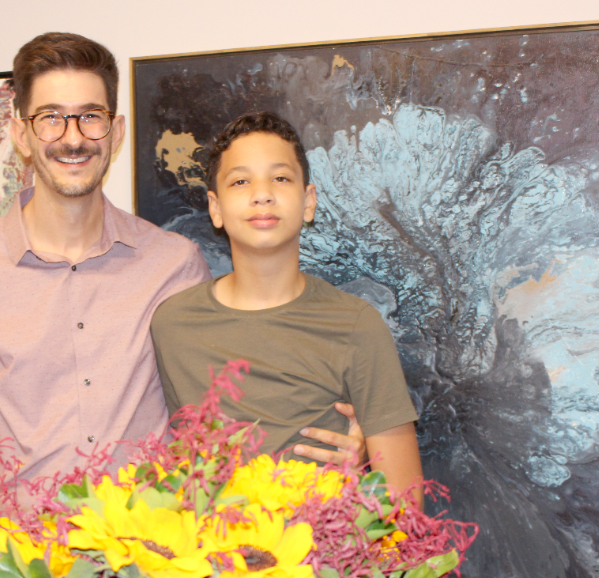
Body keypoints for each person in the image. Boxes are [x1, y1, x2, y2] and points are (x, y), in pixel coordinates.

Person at [0, 35, 364, 539]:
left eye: (90, 116)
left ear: (116, 130)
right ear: (21, 133)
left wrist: (338, 438)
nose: (72, 137)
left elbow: (227, 403)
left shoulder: (174, 266)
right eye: (51, 117)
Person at [151, 112, 424, 501]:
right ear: (215, 208)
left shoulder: (356, 325)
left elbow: (406, 503)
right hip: (207, 555)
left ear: (308, 201)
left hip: (326, 554)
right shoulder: (173, 325)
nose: (262, 194)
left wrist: (361, 469)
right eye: (240, 181)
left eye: (280, 178)